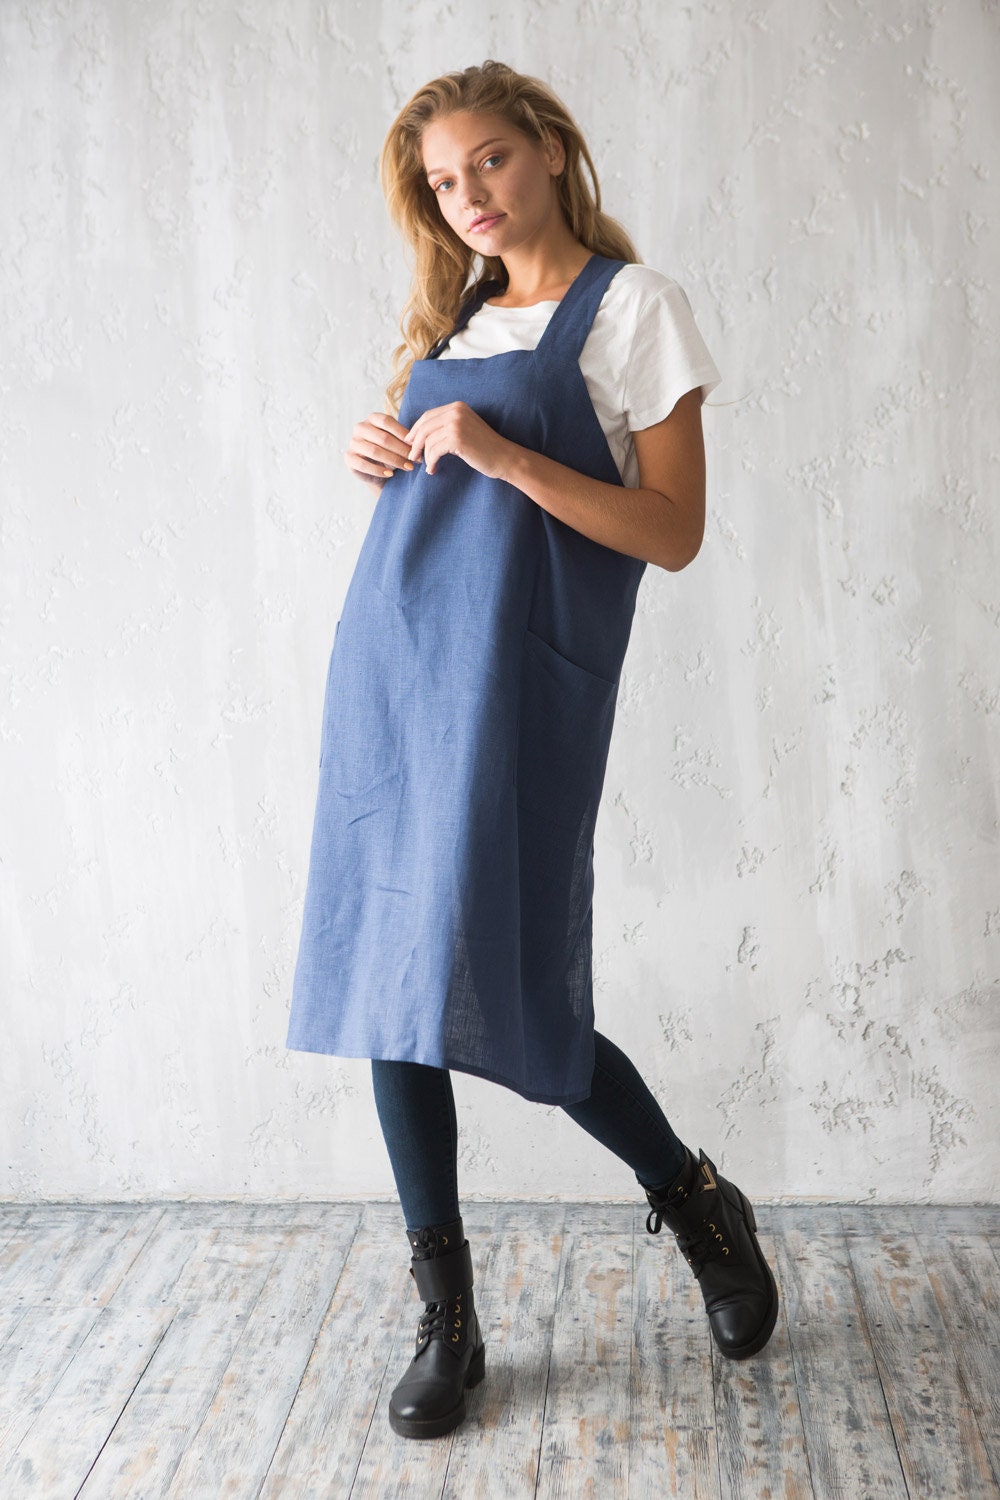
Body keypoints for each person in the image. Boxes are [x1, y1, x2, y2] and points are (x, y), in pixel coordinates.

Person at [285, 59, 779, 1440]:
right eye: (444, 182)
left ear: (552, 149)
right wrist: (383, 450)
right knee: (394, 986)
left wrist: (505, 459)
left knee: (524, 993)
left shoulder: (635, 311)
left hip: (523, 689)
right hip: (397, 675)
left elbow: (672, 532)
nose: (470, 198)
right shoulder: (453, 318)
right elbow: (438, 504)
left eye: (489, 162)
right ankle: (447, 1315)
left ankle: (694, 1199)